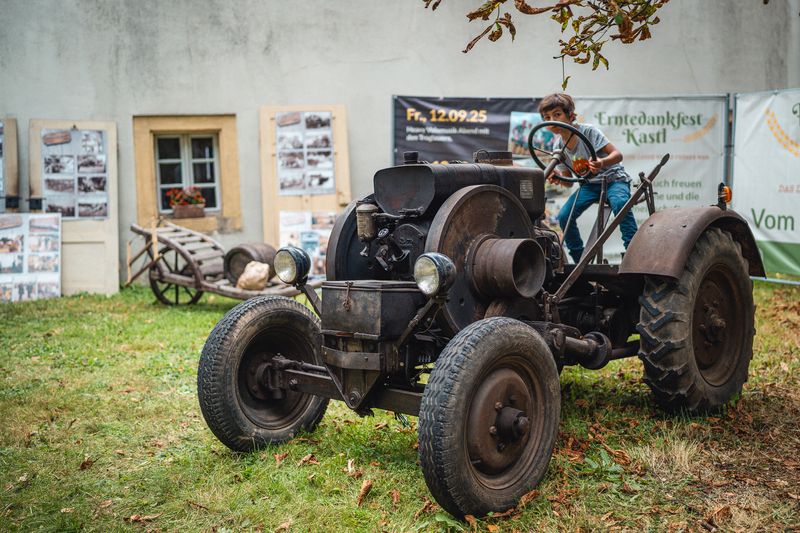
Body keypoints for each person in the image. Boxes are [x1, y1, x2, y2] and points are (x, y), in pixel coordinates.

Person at [538, 93, 638, 263]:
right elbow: (568, 180)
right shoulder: (557, 146)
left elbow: (617, 155)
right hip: (590, 185)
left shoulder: (588, 132)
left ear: (570, 115)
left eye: (557, 114)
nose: (552, 120)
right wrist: (558, 178)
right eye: (547, 117)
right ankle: (580, 260)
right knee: (564, 216)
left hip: (614, 180)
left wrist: (601, 162)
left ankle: (634, 253)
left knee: (620, 204)